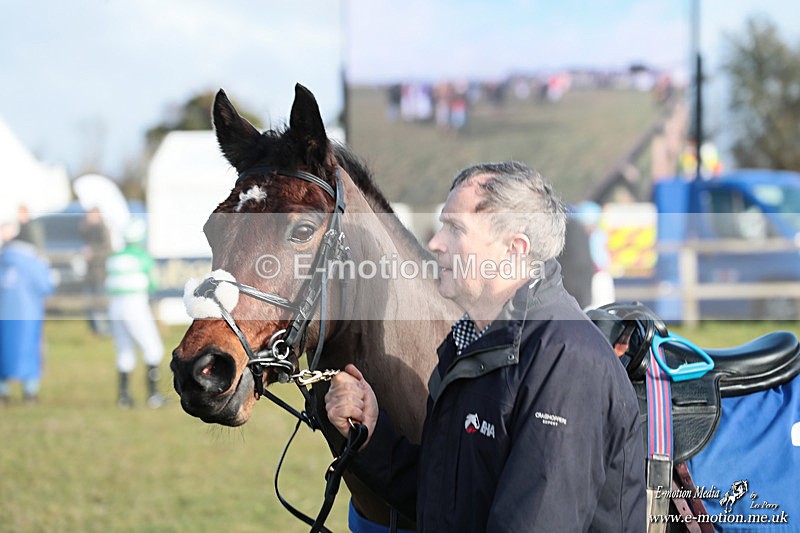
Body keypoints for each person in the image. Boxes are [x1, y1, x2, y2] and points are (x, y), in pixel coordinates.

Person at [325, 161, 645, 531]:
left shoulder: (564, 360)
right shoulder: (470, 341)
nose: (434, 243)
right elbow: (439, 498)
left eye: (455, 229)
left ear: (514, 250)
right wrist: (369, 434)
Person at [105, 219, 166, 408]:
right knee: (153, 348)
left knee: (124, 349)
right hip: (135, 304)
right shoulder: (142, 257)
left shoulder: (114, 258)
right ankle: (153, 396)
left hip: (115, 306)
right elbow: (154, 283)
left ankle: (124, 397)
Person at [0, 224, 54, 405]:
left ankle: (3, 393)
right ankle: (30, 393)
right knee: (30, 351)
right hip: (28, 314)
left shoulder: (3, 258)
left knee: (3, 350)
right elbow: (46, 286)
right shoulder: (33, 262)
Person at [80, 207, 112, 335]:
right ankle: (96, 329)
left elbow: (107, 249)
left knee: (101, 302)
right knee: (90, 302)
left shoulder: (103, 229)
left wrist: (93, 253)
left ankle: (104, 330)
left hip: (101, 272)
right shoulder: (89, 229)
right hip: (90, 273)